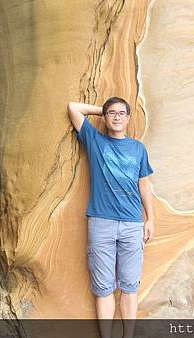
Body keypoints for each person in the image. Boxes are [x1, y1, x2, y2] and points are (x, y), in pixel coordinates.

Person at [67, 97, 155, 338]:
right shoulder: (95, 140)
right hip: (101, 222)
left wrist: (151, 219)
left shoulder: (138, 148)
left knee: (129, 287)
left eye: (121, 113)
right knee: (103, 288)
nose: (117, 117)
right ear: (105, 118)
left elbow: (144, 185)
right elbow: (73, 107)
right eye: (112, 113)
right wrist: (102, 110)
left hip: (132, 223)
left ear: (128, 118)